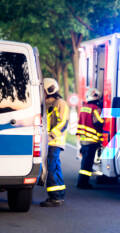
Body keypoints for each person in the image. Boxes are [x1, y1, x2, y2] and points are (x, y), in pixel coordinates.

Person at [40, 78, 69, 207]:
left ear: (49, 89)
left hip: (54, 141)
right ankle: (60, 194)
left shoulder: (60, 103)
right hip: (48, 142)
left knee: (51, 168)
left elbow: (63, 123)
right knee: (55, 168)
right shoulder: (45, 103)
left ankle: (55, 197)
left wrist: (51, 134)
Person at [76, 88, 104, 189]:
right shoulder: (95, 108)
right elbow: (98, 121)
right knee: (87, 164)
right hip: (91, 140)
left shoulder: (84, 107)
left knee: (85, 162)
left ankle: (82, 182)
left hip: (83, 140)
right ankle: (83, 183)